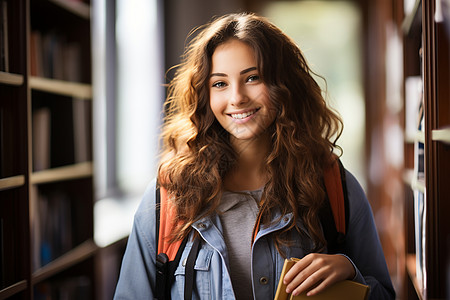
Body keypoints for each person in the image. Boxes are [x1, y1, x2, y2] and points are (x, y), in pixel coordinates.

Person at [113, 12, 395, 300]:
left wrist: (349, 270)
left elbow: (384, 294)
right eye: (219, 83)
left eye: (252, 78)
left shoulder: (333, 187)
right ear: (204, 95)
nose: (237, 97)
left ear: (284, 85)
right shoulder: (170, 196)